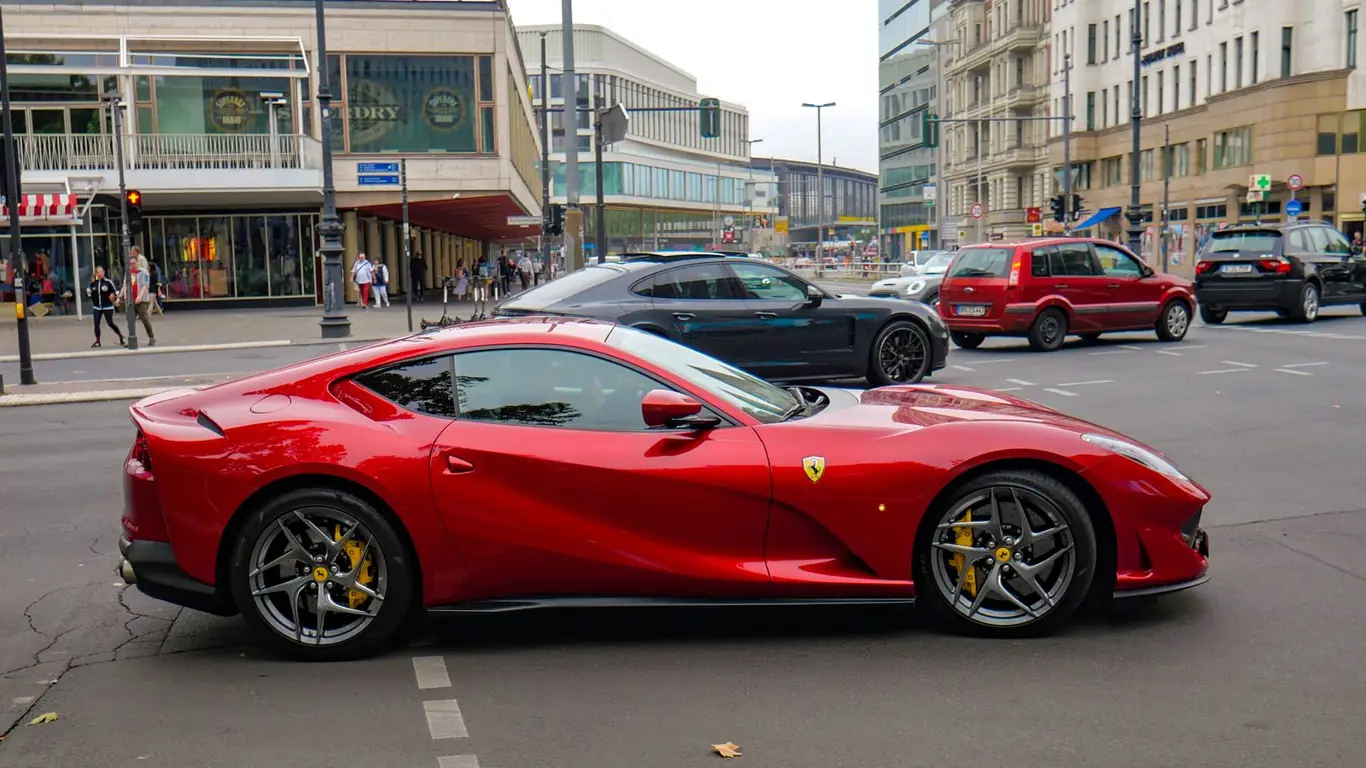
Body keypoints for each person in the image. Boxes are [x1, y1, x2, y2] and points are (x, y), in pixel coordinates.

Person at [120, 249, 156, 346]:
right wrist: (120, 297)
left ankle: (151, 336)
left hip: (142, 300)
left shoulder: (144, 272)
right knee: (130, 319)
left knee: (144, 318)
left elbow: (145, 285)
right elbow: (125, 285)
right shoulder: (128, 273)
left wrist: (139, 296)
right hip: (131, 299)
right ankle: (131, 338)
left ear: (138, 262)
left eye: (134, 263)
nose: (132, 265)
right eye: (130, 264)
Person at [87, 266, 125, 348]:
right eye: (98, 272)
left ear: (104, 272)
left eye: (101, 271)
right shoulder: (93, 283)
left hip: (107, 306)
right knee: (96, 324)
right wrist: (90, 292)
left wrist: (113, 295)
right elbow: (90, 293)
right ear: (96, 274)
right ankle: (98, 341)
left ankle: (121, 336)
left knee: (110, 323)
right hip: (97, 307)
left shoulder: (108, 282)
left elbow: (115, 291)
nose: (100, 273)